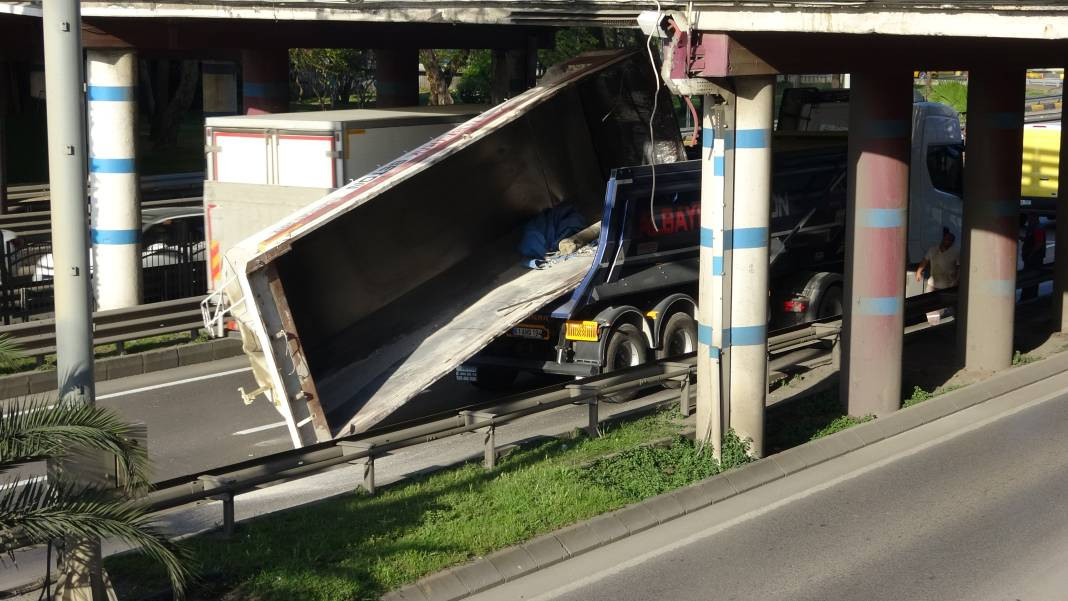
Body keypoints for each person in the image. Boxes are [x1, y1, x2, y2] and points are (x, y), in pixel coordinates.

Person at [915, 227, 959, 292]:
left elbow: (959, 268)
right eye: (947, 239)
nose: (949, 241)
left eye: (951, 240)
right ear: (943, 239)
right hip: (932, 285)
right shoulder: (932, 250)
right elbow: (925, 260)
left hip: (948, 285)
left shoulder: (955, 252)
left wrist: (957, 281)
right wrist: (918, 271)